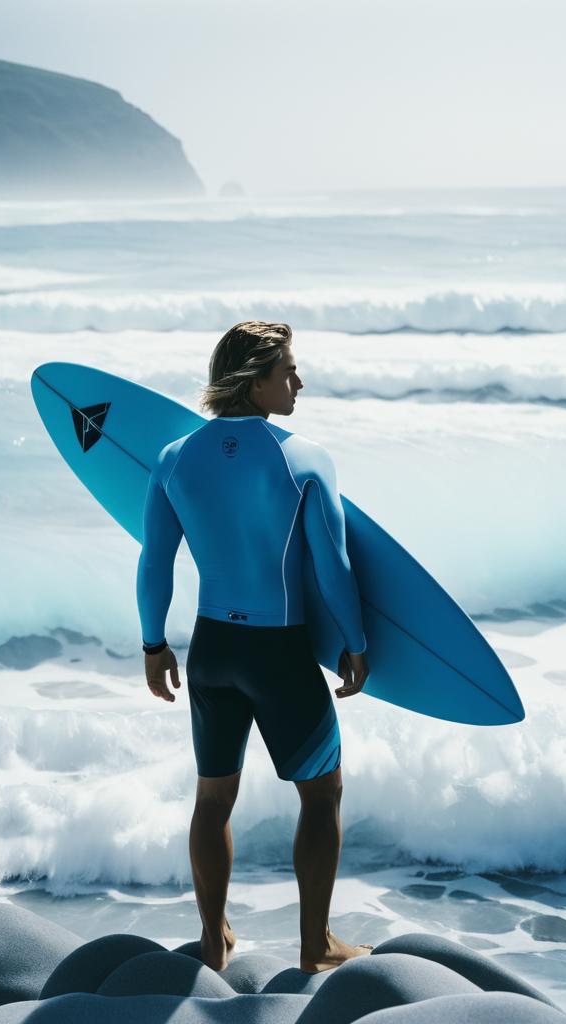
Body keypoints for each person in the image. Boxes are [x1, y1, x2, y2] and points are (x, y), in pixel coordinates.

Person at [136, 320, 372, 974]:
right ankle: (316, 945)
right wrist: (355, 642)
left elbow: (156, 562)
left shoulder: (175, 457)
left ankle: (214, 941)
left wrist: (154, 645)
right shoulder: (304, 459)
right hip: (280, 653)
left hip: (212, 649)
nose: (299, 382)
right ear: (255, 378)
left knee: (213, 799)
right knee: (322, 795)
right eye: (288, 370)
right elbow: (334, 569)